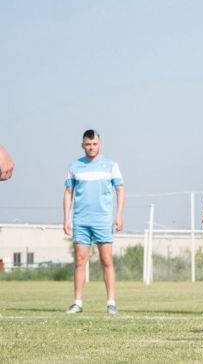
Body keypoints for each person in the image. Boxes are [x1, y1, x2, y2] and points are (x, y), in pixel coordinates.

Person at [63, 130, 124, 315]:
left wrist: (118, 215)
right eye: (88, 144)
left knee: (106, 260)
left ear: (100, 144)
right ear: (83, 145)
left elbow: (120, 190)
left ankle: (111, 302)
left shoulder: (110, 165)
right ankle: (78, 302)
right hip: (81, 221)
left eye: (94, 144)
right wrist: (66, 218)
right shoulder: (75, 166)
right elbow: (68, 193)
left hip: (103, 220)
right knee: (80, 261)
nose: (91, 147)